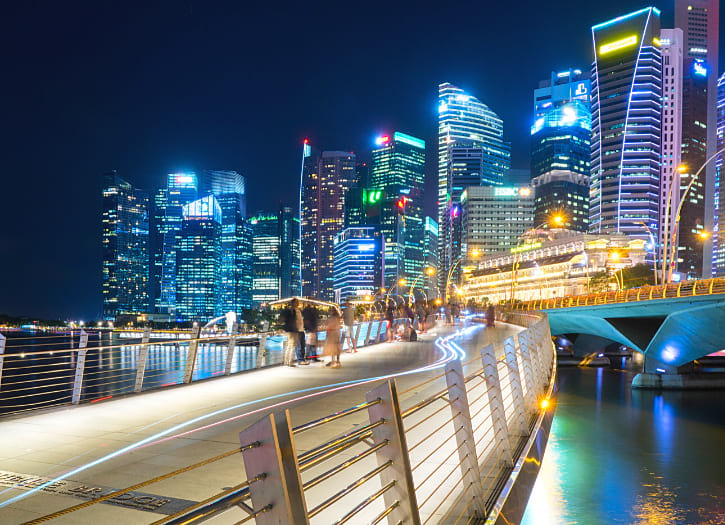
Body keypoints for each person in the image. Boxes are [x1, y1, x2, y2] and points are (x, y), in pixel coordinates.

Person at [281, 299, 306, 366]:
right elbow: (294, 321)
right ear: (293, 303)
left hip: (295, 330)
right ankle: (290, 362)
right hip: (294, 330)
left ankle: (287, 361)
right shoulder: (293, 311)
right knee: (293, 346)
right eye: (296, 302)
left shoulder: (295, 310)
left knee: (290, 346)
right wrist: (296, 328)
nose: (298, 303)